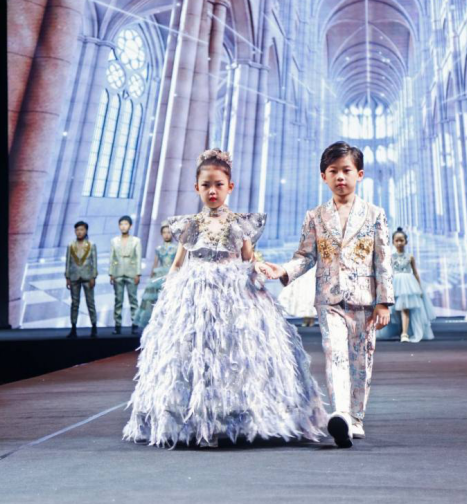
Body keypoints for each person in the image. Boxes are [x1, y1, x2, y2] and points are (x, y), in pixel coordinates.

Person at [122, 148, 328, 449]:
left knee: (235, 353)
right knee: (196, 354)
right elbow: (178, 263)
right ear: (196, 187)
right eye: (206, 185)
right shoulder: (190, 225)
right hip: (195, 297)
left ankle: (237, 418)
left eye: (218, 185)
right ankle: (197, 420)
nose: (212, 191)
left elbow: (248, 257)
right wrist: (169, 294)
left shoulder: (239, 223)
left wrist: (259, 269)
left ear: (230, 186)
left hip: (234, 295)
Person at [257, 141, 394, 448]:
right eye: (333, 171)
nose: (340, 177)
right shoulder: (315, 216)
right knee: (336, 355)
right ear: (324, 176)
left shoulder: (375, 214)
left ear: (359, 174)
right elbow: (305, 256)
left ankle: (356, 417)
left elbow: (383, 260)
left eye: (346, 170)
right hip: (329, 300)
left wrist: (384, 302)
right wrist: (283, 270)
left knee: (361, 360)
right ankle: (341, 414)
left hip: (364, 300)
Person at [377, 228, 435, 342]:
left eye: (401, 240)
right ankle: (401, 331)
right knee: (395, 310)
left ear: (406, 242)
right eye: (397, 240)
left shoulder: (410, 256)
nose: (399, 243)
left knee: (405, 307)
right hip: (394, 284)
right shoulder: (390, 257)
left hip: (408, 285)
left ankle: (404, 333)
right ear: (393, 242)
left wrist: (419, 288)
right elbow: (387, 273)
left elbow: (415, 273)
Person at [133, 222, 177, 330]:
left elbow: (177, 263)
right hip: (159, 276)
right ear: (161, 234)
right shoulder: (159, 248)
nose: (166, 235)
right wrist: (151, 277)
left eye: (168, 232)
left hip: (171, 275)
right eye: (164, 232)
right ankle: (153, 321)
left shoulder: (176, 248)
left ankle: (168, 322)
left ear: (172, 234)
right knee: (152, 299)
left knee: (169, 298)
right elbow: (155, 263)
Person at [64, 221, 98, 339]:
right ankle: (73, 328)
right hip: (74, 277)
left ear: (86, 231)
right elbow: (68, 262)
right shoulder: (70, 245)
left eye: (82, 229)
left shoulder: (91, 245)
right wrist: (67, 277)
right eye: (77, 230)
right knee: (74, 303)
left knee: (90, 302)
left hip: (87, 277)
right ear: (75, 231)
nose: (79, 232)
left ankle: (94, 326)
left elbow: (94, 262)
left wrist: (93, 277)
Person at [110, 215, 142, 335]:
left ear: (130, 226)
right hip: (118, 272)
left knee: (133, 300)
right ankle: (117, 325)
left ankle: (134, 324)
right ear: (119, 226)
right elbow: (112, 258)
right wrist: (111, 273)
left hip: (131, 273)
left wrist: (138, 273)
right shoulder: (114, 241)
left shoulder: (136, 241)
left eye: (126, 224)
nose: (123, 226)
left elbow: (138, 258)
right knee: (118, 300)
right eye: (121, 224)